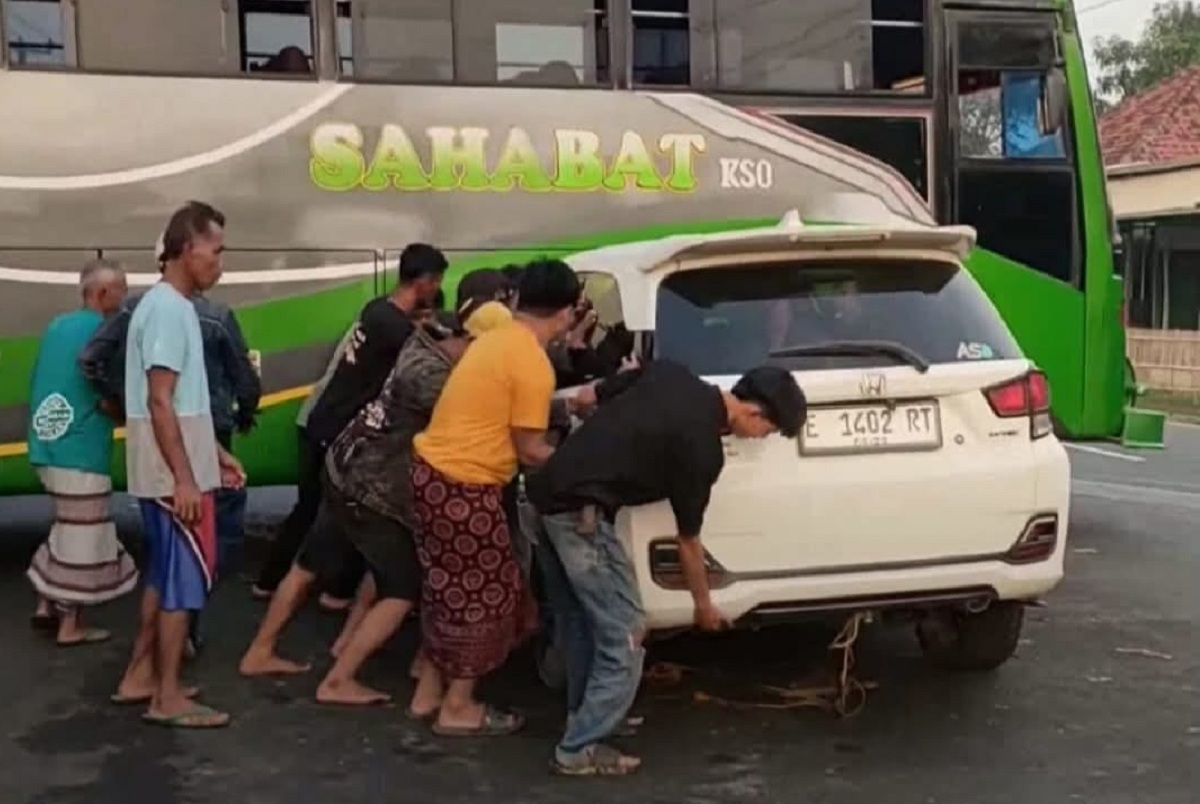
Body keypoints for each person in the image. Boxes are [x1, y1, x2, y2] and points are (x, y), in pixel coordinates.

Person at [526, 360, 806, 775]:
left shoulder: (671, 373)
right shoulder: (702, 451)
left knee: (580, 619)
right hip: (580, 520)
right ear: (753, 412)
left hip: (541, 498)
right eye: (768, 431)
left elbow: (588, 397)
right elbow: (688, 541)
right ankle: (579, 748)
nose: (761, 439)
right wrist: (703, 607)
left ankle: (585, 718)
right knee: (627, 629)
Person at [406, 259, 582, 737]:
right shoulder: (532, 363)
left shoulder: (500, 337)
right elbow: (530, 449)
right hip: (466, 484)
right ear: (566, 313)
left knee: (446, 592)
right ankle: (457, 708)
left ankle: (428, 695)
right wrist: (581, 458)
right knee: (491, 598)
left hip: (429, 475)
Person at [251, 243, 447, 609]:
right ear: (424, 282)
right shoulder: (397, 330)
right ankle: (314, 589)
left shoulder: (377, 310)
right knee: (333, 512)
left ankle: (290, 583)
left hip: (321, 422)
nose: (435, 291)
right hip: (334, 431)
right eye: (436, 283)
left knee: (316, 510)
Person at [112, 201, 246, 729]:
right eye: (216, 252)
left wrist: (215, 454)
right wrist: (188, 477)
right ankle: (165, 697)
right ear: (188, 250)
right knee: (182, 583)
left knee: (164, 578)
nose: (220, 264)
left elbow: (178, 403)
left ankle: (139, 677)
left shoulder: (163, 306)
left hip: (171, 467)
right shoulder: (170, 310)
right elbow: (161, 399)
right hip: (173, 477)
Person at [26, 259, 138, 647]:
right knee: (84, 539)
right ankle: (71, 625)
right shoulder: (104, 333)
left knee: (66, 525)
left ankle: (45, 602)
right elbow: (106, 391)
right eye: (122, 289)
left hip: (47, 445)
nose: (125, 298)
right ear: (104, 293)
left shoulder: (57, 326)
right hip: (81, 451)